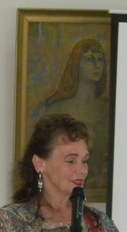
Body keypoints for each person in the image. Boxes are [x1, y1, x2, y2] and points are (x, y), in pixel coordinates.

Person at [44, 38, 109, 195]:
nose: (96, 65)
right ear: (76, 65)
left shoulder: (111, 109)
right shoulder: (56, 109)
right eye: (89, 60)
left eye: (100, 59)